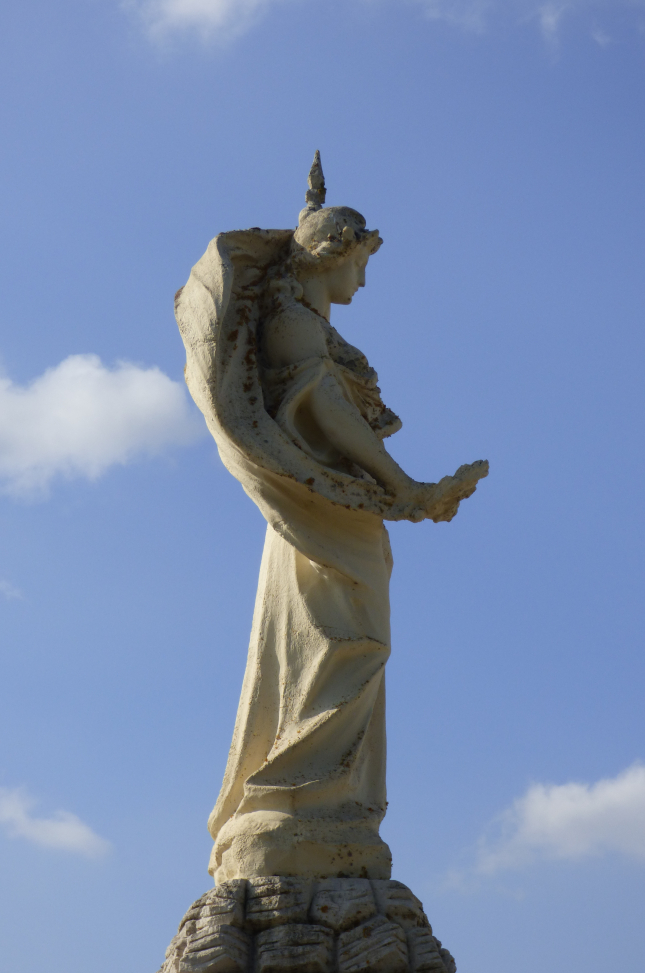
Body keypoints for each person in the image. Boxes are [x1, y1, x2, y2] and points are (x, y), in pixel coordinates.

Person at [175, 152, 487, 884]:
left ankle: (331, 799)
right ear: (332, 254)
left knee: (345, 642)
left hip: (327, 514)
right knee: (350, 642)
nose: (365, 279)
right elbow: (330, 415)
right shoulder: (294, 327)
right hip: (319, 516)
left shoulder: (301, 317)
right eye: (362, 260)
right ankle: (299, 794)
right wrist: (406, 488)